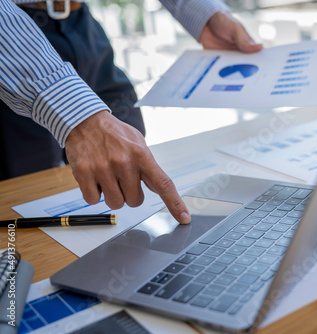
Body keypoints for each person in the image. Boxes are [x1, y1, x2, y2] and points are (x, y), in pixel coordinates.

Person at [0, 0, 262, 224]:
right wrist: (80, 119)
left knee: (124, 155)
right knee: (25, 199)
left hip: (82, 25)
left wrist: (203, 12)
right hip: (14, 47)